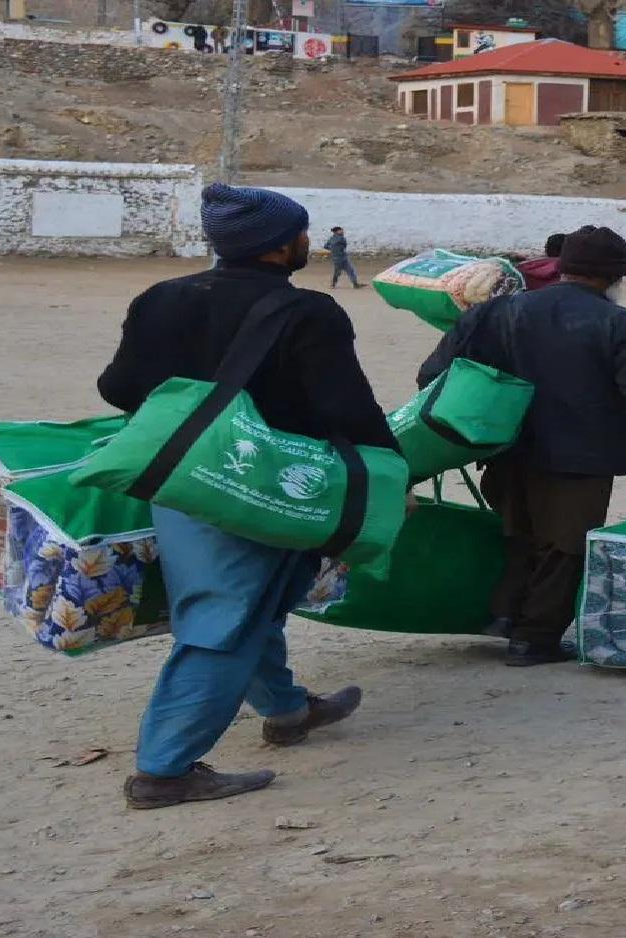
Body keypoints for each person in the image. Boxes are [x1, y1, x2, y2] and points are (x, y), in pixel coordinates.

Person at [97, 183, 398, 808]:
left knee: (253, 600)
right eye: (302, 234)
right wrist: (389, 476)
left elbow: (118, 386)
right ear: (279, 244)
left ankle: (288, 712)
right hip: (268, 490)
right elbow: (346, 408)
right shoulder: (308, 312)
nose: (308, 244)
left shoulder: (160, 297)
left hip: (181, 480)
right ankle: (165, 769)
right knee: (224, 619)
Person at [418, 225, 626, 666]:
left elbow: (432, 376)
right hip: (581, 459)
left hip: (500, 449)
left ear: (562, 267)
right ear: (615, 276)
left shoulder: (491, 313)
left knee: (517, 534)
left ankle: (506, 616)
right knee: (563, 547)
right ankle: (535, 639)